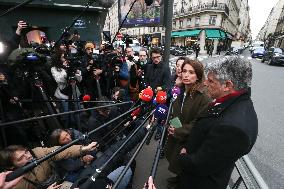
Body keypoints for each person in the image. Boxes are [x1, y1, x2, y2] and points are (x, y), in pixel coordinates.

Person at [178, 56, 258, 189]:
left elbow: (201, 164)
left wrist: (183, 156)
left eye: (210, 81)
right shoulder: (231, 101)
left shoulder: (233, 128)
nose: (205, 83)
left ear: (227, 85)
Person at [165, 58, 210, 189]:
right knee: (175, 159)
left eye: (191, 72)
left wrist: (178, 131)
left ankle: (181, 182)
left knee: (184, 164)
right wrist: (170, 124)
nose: (186, 75)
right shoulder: (179, 90)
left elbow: (199, 123)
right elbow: (174, 111)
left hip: (188, 139)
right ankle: (178, 179)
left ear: (198, 76)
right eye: (184, 71)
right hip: (176, 133)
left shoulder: (203, 96)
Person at [0, 143, 98, 189]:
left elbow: (60, 151)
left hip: (60, 183)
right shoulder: (12, 182)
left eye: (26, 152)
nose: (28, 156)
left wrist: (83, 148)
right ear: (12, 166)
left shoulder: (37, 152)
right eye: (21, 158)